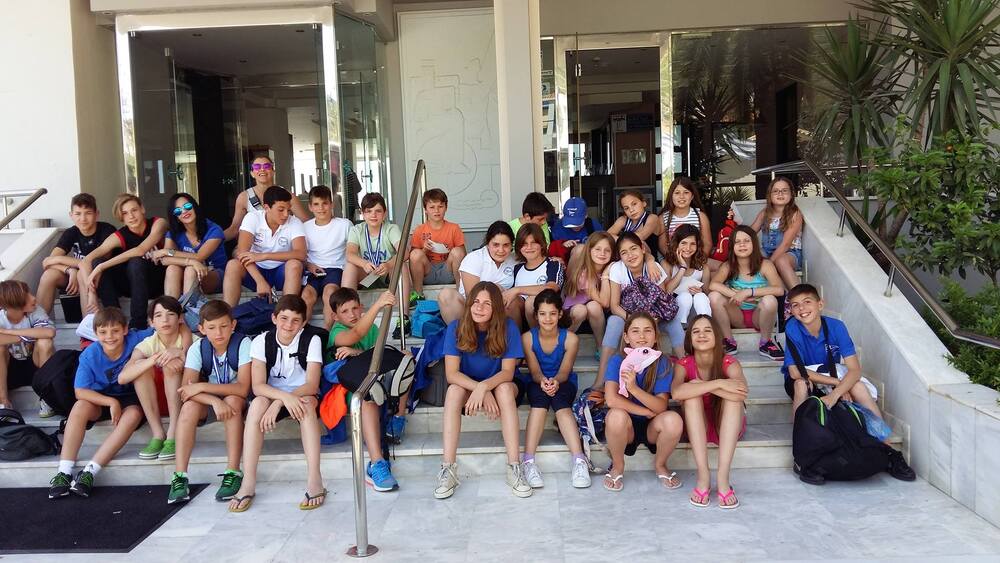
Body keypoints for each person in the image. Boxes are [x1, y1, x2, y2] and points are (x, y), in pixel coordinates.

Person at [783, 283, 915, 483]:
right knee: (801, 385)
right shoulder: (793, 327)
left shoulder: (836, 327)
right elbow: (796, 371)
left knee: (858, 386)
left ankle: (888, 450)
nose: (802, 309)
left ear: (820, 304)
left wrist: (836, 393)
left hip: (832, 377)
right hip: (808, 378)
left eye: (807, 302)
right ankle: (801, 457)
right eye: (795, 305)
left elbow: (854, 370)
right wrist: (837, 384)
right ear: (791, 311)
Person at [47, 307, 158, 499]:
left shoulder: (136, 338)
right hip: (102, 398)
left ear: (125, 329)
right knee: (80, 405)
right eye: (103, 332)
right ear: (95, 333)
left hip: (131, 397)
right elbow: (80, 391)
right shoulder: (90, 354)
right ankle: (64, 472)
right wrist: (111, 402)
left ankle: (90, 471)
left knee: (132, 415)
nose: (110, 337)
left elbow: (165, 328)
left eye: (115, 331)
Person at [228, 295, 325, 512]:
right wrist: (281, 399)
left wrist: (282, 402)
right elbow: (258, 386)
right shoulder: (261, 341)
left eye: (295, 320)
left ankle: (315, 480)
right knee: (256, 405)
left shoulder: (312, 340)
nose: (289, 325)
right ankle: (248, 482)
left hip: (301, 394)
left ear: (303, 323)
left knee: (307, 406)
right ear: (274, 318)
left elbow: (311, 384)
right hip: (271, 395)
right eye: (284, 318)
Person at [435, 281, 529, 499]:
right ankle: (448, 469)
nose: (479, 307)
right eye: (476, 302)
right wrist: (480, 389)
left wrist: (486, 387)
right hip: (469, 385)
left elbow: (507, 372)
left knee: (504, 390)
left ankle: (514, 467)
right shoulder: (456, 327)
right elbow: (452, 374)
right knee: (453, 391)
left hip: (500, 383)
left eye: (487, 303)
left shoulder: (508, 327)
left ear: (496, 307)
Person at [168, 300, 251, 504]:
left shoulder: (243, 344)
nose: (218, 333)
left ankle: (233, 471)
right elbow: (186, 390)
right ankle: (180, 476)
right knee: (188, 407)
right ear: (202, 329)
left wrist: (203, 387)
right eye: (212, 328)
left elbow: (243, 388)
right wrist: (213, 400)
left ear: (233, 325)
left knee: (232, 401)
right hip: (211, 402)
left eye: (224, 326)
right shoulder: (198, 348)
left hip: (239, 401)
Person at [327, 288, 405, 491]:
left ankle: (398, 419)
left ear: (361, 307)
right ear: (335, 316)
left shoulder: (373, 328)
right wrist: (378, 305)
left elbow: (378, 355)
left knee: (404, 360)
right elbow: (355, 335)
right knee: (367, 397)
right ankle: (376, 463)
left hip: (375, 377)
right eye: (345, 311)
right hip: (349, 388)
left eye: (355, 308)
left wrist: (355, 352)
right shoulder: (336, 332)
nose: (352, 314)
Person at [671, 315, 748, 508]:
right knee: (691, 398)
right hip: (698, 426)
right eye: (696, 331)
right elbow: (677, 393)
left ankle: (723, 478)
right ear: (689, 338)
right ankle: (703, 477)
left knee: (733, 401)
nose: (702, 335)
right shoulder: (683, 364)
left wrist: (699, 385)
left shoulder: (729, 362)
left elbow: (741, 393)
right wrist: (719, 383)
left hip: (727, 424)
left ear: (717, 336)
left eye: (707, 330)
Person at [594, 232, 684, 397]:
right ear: (620, 256)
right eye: (624, 252)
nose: (630, 255)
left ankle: (685, 367)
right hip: (628, 316)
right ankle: (601, 379)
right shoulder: (618, 269)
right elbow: (614, 306)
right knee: (614, 321)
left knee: (674, 323)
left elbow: (662, 301)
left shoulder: (653, 267)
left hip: (653, 317)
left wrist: (651, 321)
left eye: (633, 249)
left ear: (642, 249)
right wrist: (633, 321)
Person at [601, 313, 684, 492]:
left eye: (647, 331)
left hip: (653, 427)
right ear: (626, 337)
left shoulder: (662, 361)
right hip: (627, 427)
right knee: (615, 416)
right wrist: (645, 411)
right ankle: (618, 466)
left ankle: (660, 464)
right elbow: (611, 399)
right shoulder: (618, 360)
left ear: (655, 337)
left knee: (674, 420)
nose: (641, 336)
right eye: (635, 331)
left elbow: (661, 406)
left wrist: (633, 389)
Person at [520, 289, 591, 489]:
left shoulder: (571, 339)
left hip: (563, 380)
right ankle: (528, 461)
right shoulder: (528, 338)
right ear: (536, 315)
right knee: (539, 402)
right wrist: (543, 380)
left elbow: (565, 371)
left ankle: (579, 460)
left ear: (560, 314)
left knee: (561, 402)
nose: (548, 318)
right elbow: (534, 371)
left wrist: (556, 382)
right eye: (542, 314)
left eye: (552, 313)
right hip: (537, 381)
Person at [118, 296, 192, 461]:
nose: (165, 320)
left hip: (186, 401)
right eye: (158, 315)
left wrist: (181, 353)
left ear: (180, 318)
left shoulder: (192, 340)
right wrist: (155, 358)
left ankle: (173, 433)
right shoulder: (149, 343)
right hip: (155, 401)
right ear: (151, 322)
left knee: (170, 365)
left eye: (170, 314)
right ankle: (158, 433)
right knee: (140, 366)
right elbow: (122, 378)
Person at [79, 193, 168, 329]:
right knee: (97, 261)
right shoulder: (120, 235)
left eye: (134, 210)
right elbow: (85, 261)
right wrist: (92, 294)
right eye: (125, 213)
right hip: (133, 286)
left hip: (156, 282)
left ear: (142, 209)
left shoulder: (158, 223)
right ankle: (115, 319)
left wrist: (102, 266)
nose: (131, 216)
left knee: (136, 262)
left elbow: (140, 250)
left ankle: (138, 324)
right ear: (121, 217)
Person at [707, 226, 785, 359]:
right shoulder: (728, 265)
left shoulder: (765, 265)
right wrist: (736, 295)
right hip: (737, 315)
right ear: (732, 246)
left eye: (746, 241)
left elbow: (779, 289)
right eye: (737, 242)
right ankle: (729, 341)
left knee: (770, 300)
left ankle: (766, 343)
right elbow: (713, 284)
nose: (742, 245)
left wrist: (749, 292)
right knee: (713, 296)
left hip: (759, 316)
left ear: (754, 243)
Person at [223, 186, 307, 306]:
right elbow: (242, 252)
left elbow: (301, 254)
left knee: (295, 264)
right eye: (281, 210)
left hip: (281, 272)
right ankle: (228, 313)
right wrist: (260, 281)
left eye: (288, 210)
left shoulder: (294, 222)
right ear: (267, 207)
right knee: (232, 265)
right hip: (256, 271)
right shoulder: (253, 218)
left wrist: (264, 256)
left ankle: (286, 311)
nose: (285, 214)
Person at [37, 193, 117, 317]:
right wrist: (69, 270)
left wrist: (68, 263)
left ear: (96, 214)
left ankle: (88, 323)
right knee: (49, 275)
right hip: (77, 276)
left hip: (102, 277)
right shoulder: (71, 233)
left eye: (88, 213)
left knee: (81, 273)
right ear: (71, 215)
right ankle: (38, 321)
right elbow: (48, 262)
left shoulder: (107, 230)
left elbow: (96, 261)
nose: (83, 218)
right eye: (78, 214)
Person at [342, 192, 411, 337]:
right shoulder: (357, 230)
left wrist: (389, 264)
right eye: (369, 211)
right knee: (350, 266)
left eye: (378, 211)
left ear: (384, 214)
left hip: (386, 274)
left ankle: (403, 317)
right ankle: (347, 317)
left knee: (401, 265)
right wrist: (364, 263)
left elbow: (404, 252)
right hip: (367, 274)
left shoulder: (391, 229)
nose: (373, 215)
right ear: (362, 213)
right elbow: (350, 254)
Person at [438, 221, 518, 324]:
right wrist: (496, 289)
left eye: (506, 245)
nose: (501, 250)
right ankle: (459, 332)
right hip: (472, 308)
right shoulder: (474, 258)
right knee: (446, 294)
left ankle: (513, 333)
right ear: (488, 244)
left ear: (511, 245)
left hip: (501, 309)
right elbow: (472, 295)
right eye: (496, 245)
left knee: (513, 301)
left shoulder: (515, 260)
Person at [154, 193, 227, 298]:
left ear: (194, 207)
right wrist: (191, 262)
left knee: (190, 270)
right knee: (172, 268)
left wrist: (166, 251)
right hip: (188, 275)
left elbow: (199, 256)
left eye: (187, 206)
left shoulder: (214, 229)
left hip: (215, 275)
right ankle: (171, 306)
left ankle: (190, 307)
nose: (184, 211)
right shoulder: (174, 233)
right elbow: (165, 260)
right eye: (178, 211)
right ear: (176, 217)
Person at [300, 185, 353, 330]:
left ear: (332, 204)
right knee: (306, 296)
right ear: (310, 207)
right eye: (316, 204)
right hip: (314, 271)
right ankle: (301, 333)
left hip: (336, 268)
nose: (321, 208)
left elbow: (354, 250)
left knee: (329, 294)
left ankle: (327, 333)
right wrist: (309, 265)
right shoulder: (305, 227)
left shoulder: (344, 225)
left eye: (325, 203)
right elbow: (301, 254)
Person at [223, 155, 310, 241]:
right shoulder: (244, 197)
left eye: (266, 166)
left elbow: (306, 223)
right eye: (257, 167)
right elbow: (234, 229)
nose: (262, 169)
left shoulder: (288, 196)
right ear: (252, 173)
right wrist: (215, 239)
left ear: (273, 171)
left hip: (283, 245)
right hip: (255, 247)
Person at [0, 281, 55, 415]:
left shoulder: (36, 311)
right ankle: (4, 402)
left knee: (45, 342)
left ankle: (47, 398)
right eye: (26, 296)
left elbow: (49, 332)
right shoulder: (1, 318)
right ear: (13, 303)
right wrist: (30, 335)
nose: (33, 298)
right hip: (10, 370)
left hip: (36, 367)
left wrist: (9, 333)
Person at [408, 188, 466, 301]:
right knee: (415, 253)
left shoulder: (454, 228)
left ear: (446, 207)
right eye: (432, 207)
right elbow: (413, 258)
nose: (436, 211)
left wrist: (450, 251)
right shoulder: (419, 230)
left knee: (458, 251)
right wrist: (424, 250)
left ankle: (461, 293)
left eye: (440, 206)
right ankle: (418, 294)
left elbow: (463, 254)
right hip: (427, 271)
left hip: (448, 270)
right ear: (425, 210)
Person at [562, 232, 614, 351]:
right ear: (589, 251)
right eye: (597, 249)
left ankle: (600, 347)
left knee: (593, 306)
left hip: (597, 316)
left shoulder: (613, 268)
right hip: (574, 315)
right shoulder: (584, 273)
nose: (602, 253)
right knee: (582, 310)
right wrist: (605, 276)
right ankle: (562, 341)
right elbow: (605, 302)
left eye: (607, 250)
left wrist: (650, 259)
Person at [750, 176, 804, 290]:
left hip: (790, 253)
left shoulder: (794, 214)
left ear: (791, 194)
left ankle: (798, 295)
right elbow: (750, 232)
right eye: (776, 191)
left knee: (781, 261)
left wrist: (769, 263)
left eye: (784, 190)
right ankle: (748, 290)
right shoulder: (765, 213)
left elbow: (785, 245)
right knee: (751, 256)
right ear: (769, 195)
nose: (780, 194)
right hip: (767, 252)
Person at [509, 223, 564, 329]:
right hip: (520, 317)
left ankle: (538, 336)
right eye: (524, 244)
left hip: (547, 316)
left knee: (531, 301)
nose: (529, 247)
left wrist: (517, 290)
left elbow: (551, 289)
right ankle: (515, 336)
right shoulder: (517, 268)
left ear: (542, 244)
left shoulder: (553, 264)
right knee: (510, 301)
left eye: (533, 243)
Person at [661, 224, 711, 326]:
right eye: (683, 243)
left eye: (692, 244)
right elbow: (667, 291)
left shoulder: (703, 267)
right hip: (675, 311)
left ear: (698, 245)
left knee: (701, 296)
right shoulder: (667, 264)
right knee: (685, 297)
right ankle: (680, 328)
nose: (688, 248)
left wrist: (700, 291)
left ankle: (706, 325)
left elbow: (708, 294)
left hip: (696, 310)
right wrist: (682, 268)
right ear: (676, 244)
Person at [657, 177, 713, 260]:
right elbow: (662, 245)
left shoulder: (701, 216)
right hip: (673, 261)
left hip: (697, 261)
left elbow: (707, 244)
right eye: (677, 193)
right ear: (671, 196)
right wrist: (675, 261)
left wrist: (698, 261)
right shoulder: (663, 218)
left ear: (692, 196)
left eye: (686, 192)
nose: (681, 196)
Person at [607, 189, 663, 259]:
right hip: (627, 260)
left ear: (644, 203)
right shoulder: (623, 220)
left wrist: (617, 239)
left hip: (648, 261)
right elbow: (607, 236)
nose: (631, 210)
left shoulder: (652, 218)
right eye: (626, 208)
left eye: (634, 204)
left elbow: (640, 237)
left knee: (642, 242)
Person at [549, 196, 603, 263]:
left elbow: (603, 244)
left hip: (589, 261)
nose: (575, 227)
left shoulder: (593, 226)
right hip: (566, 263)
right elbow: (551, 251)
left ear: (586, 215)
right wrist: (563, 245)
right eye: (570, 223)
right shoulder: (557, 227)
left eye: (578, 223)